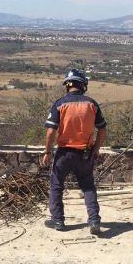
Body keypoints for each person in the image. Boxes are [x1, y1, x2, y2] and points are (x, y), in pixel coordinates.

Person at [42, 69, 107, 235]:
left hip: (64, 153)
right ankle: (94, 220)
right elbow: (102, 129)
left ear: (67, 85)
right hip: (85, 153)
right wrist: (96, 150)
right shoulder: (92, 104)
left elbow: (50, 132)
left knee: (56, 185)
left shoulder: (60, 104)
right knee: (88, 186)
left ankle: (58, 220)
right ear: (83, 85)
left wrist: (47, 152)